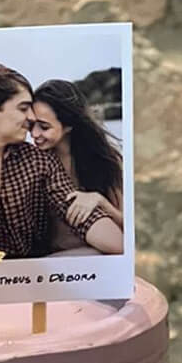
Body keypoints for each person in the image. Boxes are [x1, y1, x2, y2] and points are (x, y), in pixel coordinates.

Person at [0, 60, 119, 259]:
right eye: (23, 108)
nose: (31, 117)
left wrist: (118, 245)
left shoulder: (39, 161)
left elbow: (86, 219)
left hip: (43, 273)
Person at [29, 79, 125, 252]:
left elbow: (129, 227)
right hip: (54, 261)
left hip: (100, 255)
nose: (34, 134)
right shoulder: (33, 164)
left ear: (69, 126)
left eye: (44, 127)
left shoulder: (103, 160)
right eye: (31, 125)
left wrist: (100, 201)